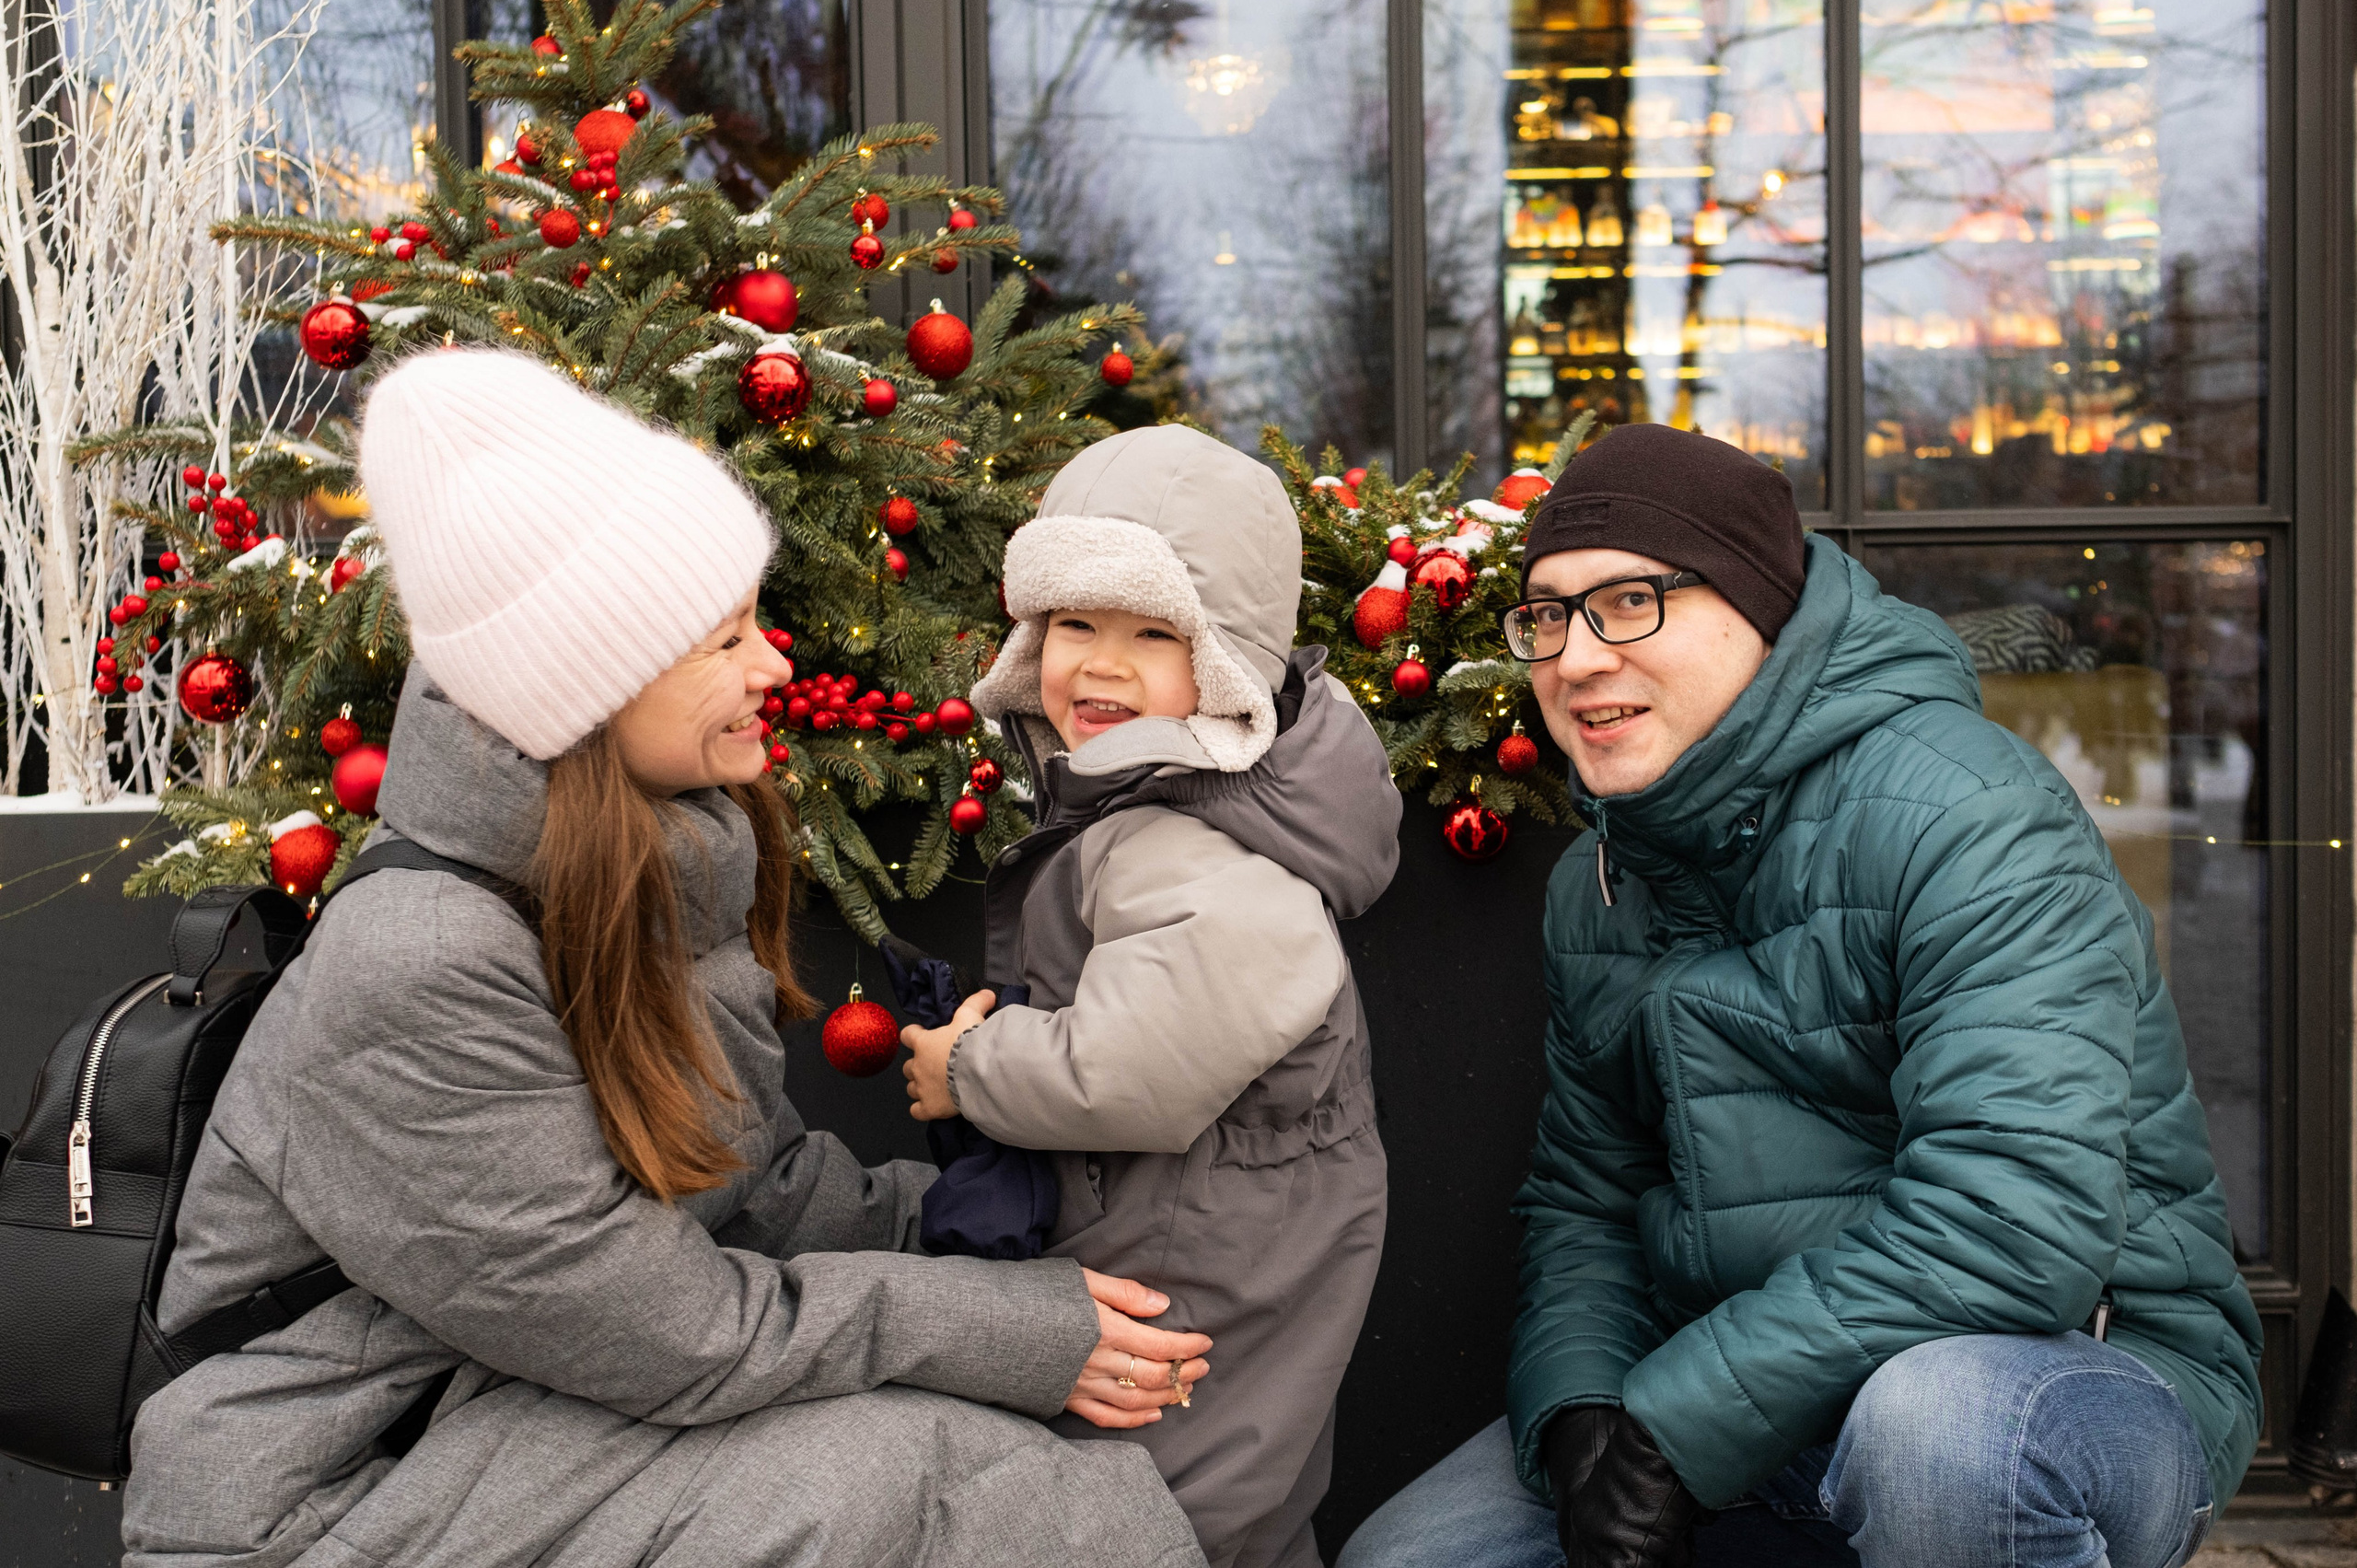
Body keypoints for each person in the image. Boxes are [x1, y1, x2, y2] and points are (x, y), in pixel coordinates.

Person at [122, 349, 1213, 1568]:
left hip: (504, 1422)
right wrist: (984, 1321)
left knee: (1016, 1451)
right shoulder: (420, 961)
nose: (775, 667)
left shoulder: (648, 870)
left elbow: (756, 1187)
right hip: (330, 1492)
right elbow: (666, 1330)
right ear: (592, 683)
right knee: (959, 1478)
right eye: (723, 639)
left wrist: (1023, 1224)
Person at [1340, 424, 2261, 1568]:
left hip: (2060, 1372)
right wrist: (1581, 1417)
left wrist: (1674, 1430)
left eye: (1629, 602)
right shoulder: (1601, 878)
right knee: (1412, 1559)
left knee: (1938, 1437)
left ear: (1762, 613)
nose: (1574, 660)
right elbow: (1587, 1197)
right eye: (1546, 615)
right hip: (1744, 1388)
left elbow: (2014, 1214)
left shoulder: (1964, 811)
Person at [898, 424, 1400, 1568]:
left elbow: (1131, 1072)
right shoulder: (1166, 804)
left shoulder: (1197, 845)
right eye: (1075, 625)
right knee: (1230, 1506)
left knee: (1166, 1512)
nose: (1100, 666)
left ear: (1222, 662)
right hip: (1199, 1216)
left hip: (1208, 1251)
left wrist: (967, 1072)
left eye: (1150, 633)